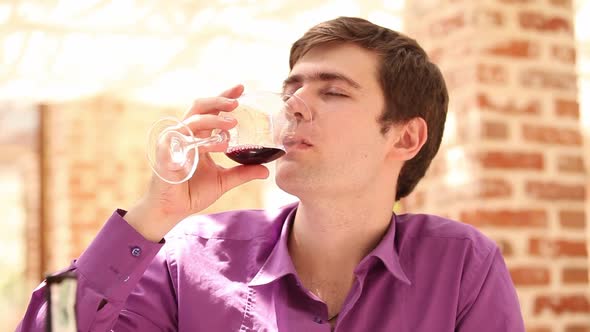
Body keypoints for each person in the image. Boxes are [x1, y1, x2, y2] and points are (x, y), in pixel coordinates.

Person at [16, 17, 525, 331]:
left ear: (405, 137)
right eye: (293, 89)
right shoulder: (191, 251)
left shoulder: (461, 264)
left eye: (334, 91)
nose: (295, 106)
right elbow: (50, 326)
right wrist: (152, 215)